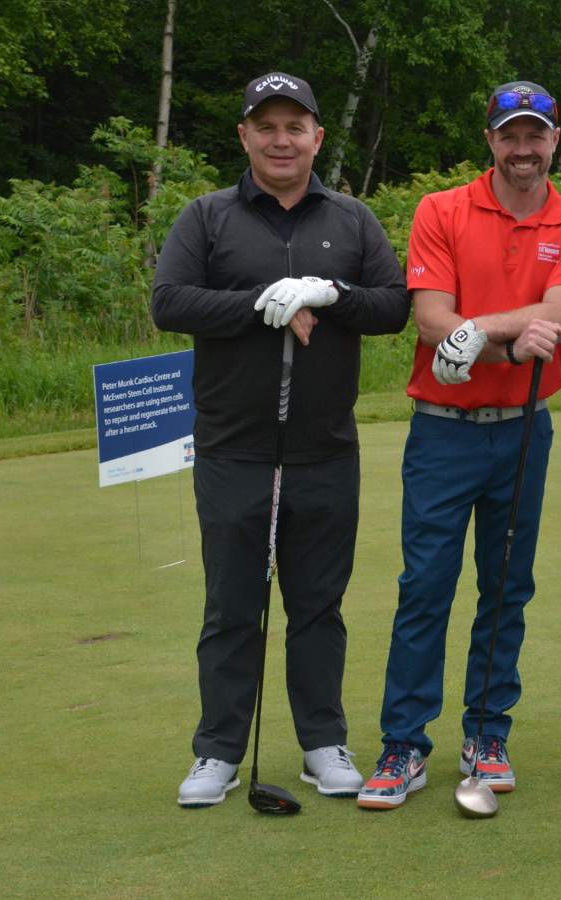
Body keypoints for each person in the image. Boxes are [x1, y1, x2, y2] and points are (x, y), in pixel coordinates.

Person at [154, 72, 410, 807]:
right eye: (265, 126)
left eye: (294, 126)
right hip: (234, 449)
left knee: (317, 607)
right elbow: (169, 301)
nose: (280, 139)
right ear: (244, 135)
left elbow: (392, 306)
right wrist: (262, 305)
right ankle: (218, 752)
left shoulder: (353, 219)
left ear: (317, 138)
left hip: (325, 449)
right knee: (232, 606)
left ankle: (322, 743)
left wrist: (329, 294)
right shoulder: (206, 218)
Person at [357, 81, 561, 810]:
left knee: (505, 589)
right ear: (490, 139)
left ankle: (486, 735)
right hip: (441, 429)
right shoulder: (442, 210)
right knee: (424, 588)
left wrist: (477, 333)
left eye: (536, 135)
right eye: (509, 135)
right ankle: (404, 745)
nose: (523, 150)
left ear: (556, 139)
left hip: (524, 429)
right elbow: (431, 318)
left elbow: (558, 320)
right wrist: (496, 338)